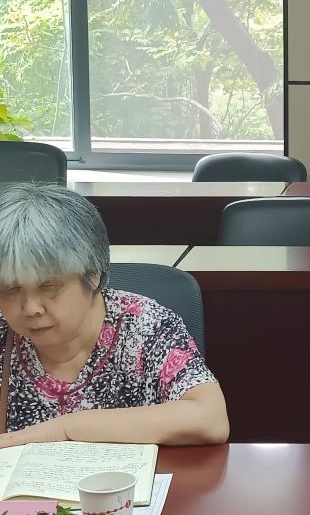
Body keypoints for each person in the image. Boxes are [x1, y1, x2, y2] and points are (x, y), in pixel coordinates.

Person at [0, 183, 229, 447]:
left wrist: (66, 427)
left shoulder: (145, 326)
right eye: (11, 289)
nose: (31, 308)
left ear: (92, 276)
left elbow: (210, 418)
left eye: (49, 286)